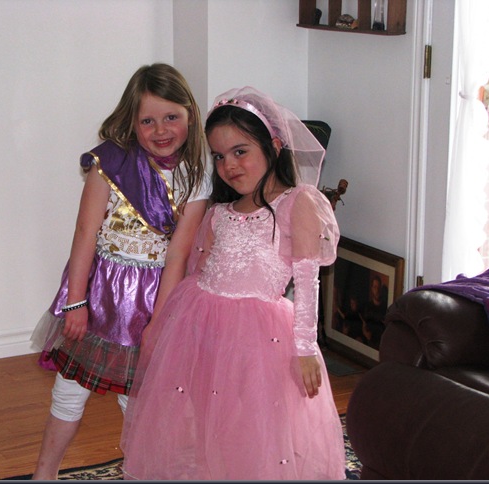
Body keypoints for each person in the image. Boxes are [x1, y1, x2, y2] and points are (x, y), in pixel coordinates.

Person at [120, 86, 346, 480]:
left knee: (254, 419)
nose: (229, 165)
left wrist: (305, 348)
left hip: (261, 337)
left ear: (273, 146)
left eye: (240, 151)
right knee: (208, 414)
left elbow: (308, 280)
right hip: (202, 322)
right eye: (220, 156)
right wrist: (173, 328)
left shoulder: (298, 203)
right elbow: (198, 269)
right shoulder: (220, 212)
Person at [29, 63, 211, 480]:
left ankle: (140, 472)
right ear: (132, 122)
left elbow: (178, 256)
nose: (161, 130)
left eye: (171, 117)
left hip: (153, 301)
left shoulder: (197, 176)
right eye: (148, 121)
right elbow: (84, 234)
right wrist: (75, 302)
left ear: (190, 114)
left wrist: (159, 324)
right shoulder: (110, 163)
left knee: (140, 400)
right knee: (69, 391)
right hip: (100, 295)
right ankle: (44, 474)